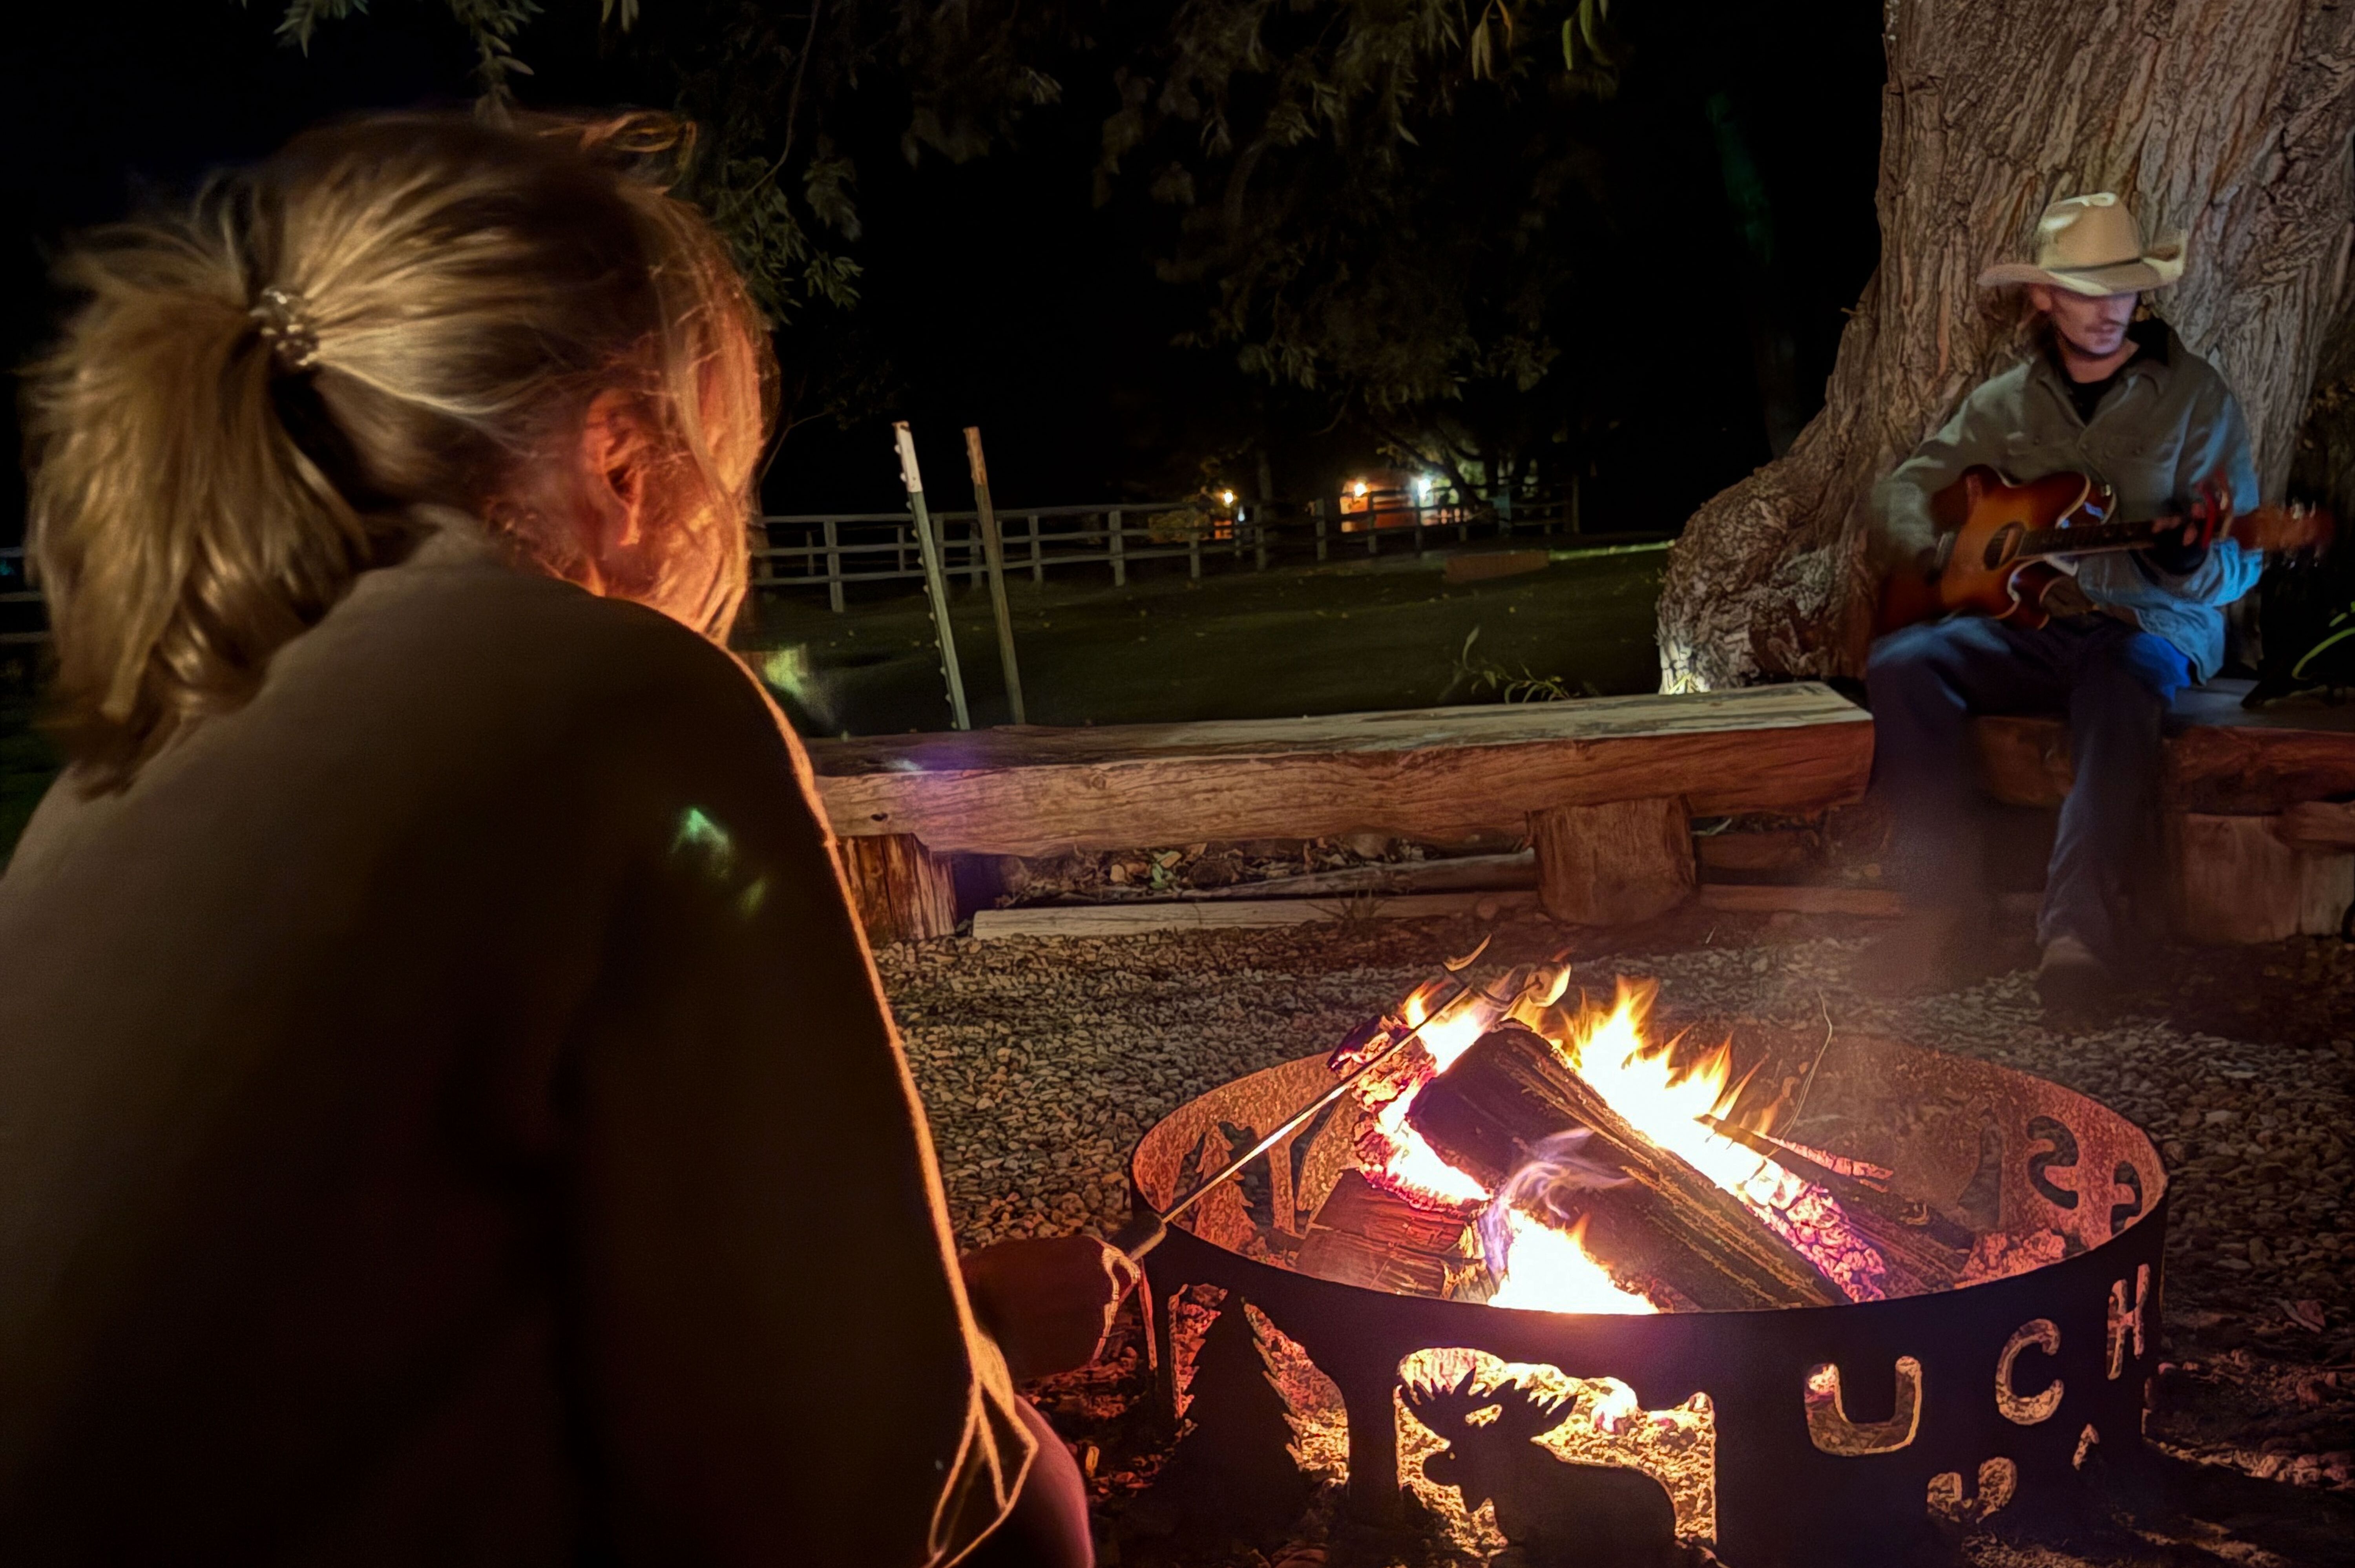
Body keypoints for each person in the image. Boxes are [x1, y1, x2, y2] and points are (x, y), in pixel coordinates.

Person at [0, 110, 1128, 1565]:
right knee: (1042, 1513)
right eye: (721, 467)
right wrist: (986, 1420)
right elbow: (849, 1501)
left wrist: (939, 1321)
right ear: (622, 459)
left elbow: (397, 1326)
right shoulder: (629, 699)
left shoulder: (143, 757)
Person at [1865, 193, 2262, 1018]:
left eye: (2124, 288)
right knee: (1903, 666)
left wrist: (2187, 560)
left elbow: (2236, 565)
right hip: (2026, 627)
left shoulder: (2196, 398)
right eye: (2087, 289)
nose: (2111, 309)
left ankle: (2076, 937)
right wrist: (1944, 553)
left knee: (2123, 692)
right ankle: (1944, 913)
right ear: (2046, 297)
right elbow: (1905, 490)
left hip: (2144, 626)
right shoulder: (2005, 403)